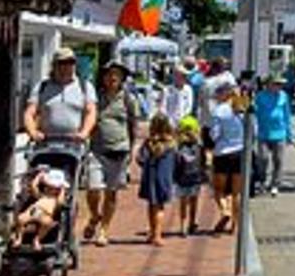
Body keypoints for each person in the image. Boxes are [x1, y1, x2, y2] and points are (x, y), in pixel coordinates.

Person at [82, 61, 142, 245]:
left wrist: (132, 149)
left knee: (111, 193)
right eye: (109, 74)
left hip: (119, 150)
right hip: (97, 150)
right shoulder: (96, 98)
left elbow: (134, 125)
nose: (112, 78)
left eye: (116, 75)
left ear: (122, 78)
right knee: (93, 189)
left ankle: (104, 231)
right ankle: (94, 216)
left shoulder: (128, 99)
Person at [23, 47, 96, 148]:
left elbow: (91, 112)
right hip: (45, 145)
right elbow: (29, 113)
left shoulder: (85, 86)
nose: (66, 66)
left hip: (75, 145)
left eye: (70, 62)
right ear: (54, 65)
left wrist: (85, 132)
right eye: (62, 63)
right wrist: (33, 132)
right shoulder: (42, 86)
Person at [203, 72, 246, 235]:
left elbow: (215, 134)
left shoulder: (219, 111)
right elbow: (253, 129)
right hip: (240, 151)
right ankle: (235, 224)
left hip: (222, 153)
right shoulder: (243, 105)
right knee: (237, 192)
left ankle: (225, 210)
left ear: (223, 94)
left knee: (219, 189)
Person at [137, 113, 176, 245]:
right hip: (165, 177)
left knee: (151, 206)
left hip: (150, 177)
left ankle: (153, 233)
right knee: (160, 207)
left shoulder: (149, 142)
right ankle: (157, 235)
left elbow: (140, 159)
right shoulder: (172, 143)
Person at [11, 164, 70, 252]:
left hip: (45, 214)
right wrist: (39, 177)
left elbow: (60, 203)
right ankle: (19, 238)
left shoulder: (55, 200)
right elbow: (33, 187)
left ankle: (37, 239)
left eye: (53, 188)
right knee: (20, 219)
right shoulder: (41, 196)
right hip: (33, 211)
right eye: (47, 187)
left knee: (46, 223)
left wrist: (62, 190)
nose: (49, 190)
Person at [252, 74, 293, 196]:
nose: (279, 86)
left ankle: (275, 184)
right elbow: (254, 113)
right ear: (268, 84)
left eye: (280, 84)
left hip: (280, 133)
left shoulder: (283, 96)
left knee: (278, 160)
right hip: (263, 133)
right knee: (263, 159)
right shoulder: (260, 96)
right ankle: (262, 181)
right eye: (276, 84)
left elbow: (287, 115)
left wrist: (289, 134)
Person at [172, 117, 208, 235]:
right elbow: (204, 162)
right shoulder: (199, 145)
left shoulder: (178, 146)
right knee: (194, 200)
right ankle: (192, 223)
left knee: (183, 201)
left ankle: (182, 226)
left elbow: (174, 161)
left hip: (181, 177)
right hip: (195, 176)